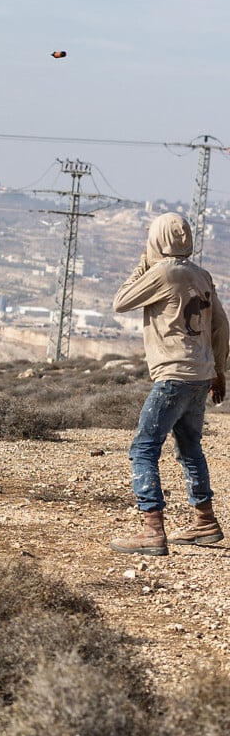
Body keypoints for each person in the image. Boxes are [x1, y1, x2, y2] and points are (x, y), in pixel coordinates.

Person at [110, 211, 229, 555]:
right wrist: (219, 372)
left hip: (173, 374)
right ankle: (204, 521)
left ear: (157, 240)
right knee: (190, 447)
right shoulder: (202, 275)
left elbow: (121, 302)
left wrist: (143, 265)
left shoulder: (162, 272)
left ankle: (152, 529)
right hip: (200, 375)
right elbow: (221, 324)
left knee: (144, 448)